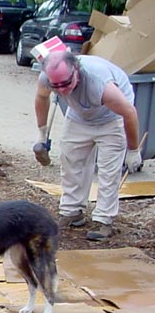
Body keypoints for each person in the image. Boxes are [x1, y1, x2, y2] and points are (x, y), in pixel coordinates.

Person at [32, 50, 140, 241]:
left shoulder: (100, 84)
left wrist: (133, 150)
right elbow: (41, 97)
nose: (62, 90)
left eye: (66, 84)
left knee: (108, 170)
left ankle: (104, 220)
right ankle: (72, 211)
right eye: (56, 86)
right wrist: (41, 133)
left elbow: (129, 113)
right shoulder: (47, 77)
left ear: (76, 71)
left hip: (111, 117)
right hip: (78, 115)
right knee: (70, 161)